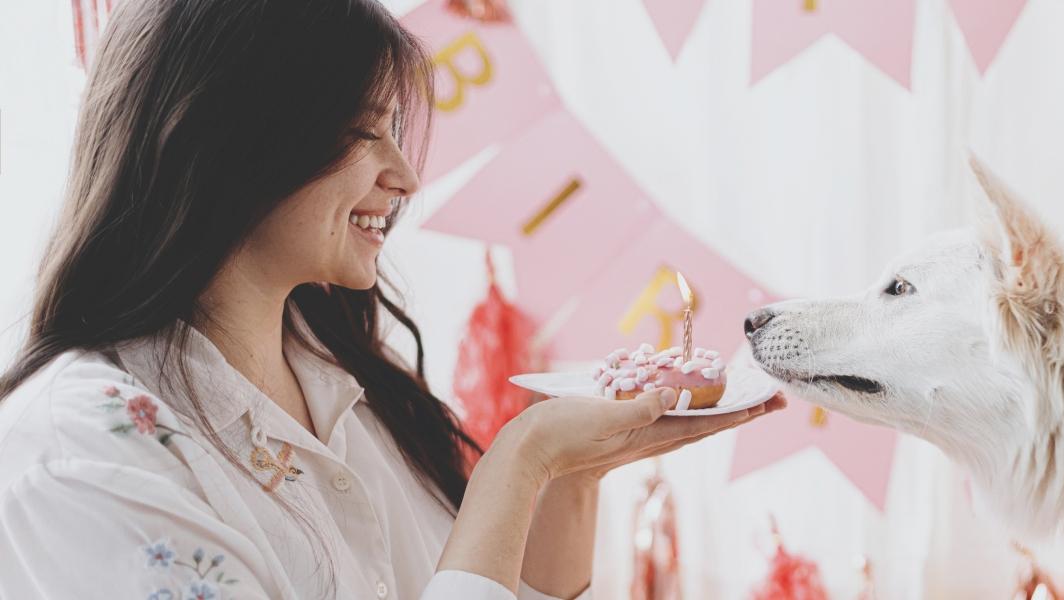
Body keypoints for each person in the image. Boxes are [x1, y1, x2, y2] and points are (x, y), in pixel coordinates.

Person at [0, 0, 784, 598]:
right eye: (367, 132)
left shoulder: (350, 396)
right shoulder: (79, 454)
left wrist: (571, 476)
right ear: (233, 143)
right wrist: (519, 461)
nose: (405, 178)